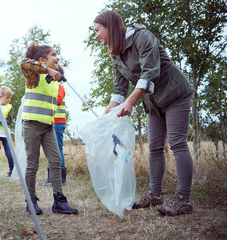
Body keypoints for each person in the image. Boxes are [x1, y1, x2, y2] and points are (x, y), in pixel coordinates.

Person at [93, 10, 195, 216]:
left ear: (110, 26)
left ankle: (184, 199)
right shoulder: (116, 55)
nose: (96, 35)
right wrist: (103, 120)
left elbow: (150, 72)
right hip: (153, 102)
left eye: (97, 30)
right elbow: (118, 92)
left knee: (177, 143)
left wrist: (131, 102)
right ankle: (155, 194)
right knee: (155, 147)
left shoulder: (141, 36)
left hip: (175, 94)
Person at [20, 44, 78, 215]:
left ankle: (59, 201)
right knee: (32, 163)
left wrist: (55, 72)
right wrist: (48, 69)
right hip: (31, 125)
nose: (57, 57)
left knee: (56, 160)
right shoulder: (34, 75)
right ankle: (30, 200)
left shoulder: (54, 81)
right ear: (42, 60)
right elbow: (24, 63)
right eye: (53, 54)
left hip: (48, 127)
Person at [40, 65, 68, 186]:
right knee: (49, 150)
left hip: (58, 122)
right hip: (51, 121)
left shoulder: (59, 87)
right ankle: (50, 178)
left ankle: (60, 178)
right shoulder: (51, 87)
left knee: (57, 150)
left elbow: (57, 101)